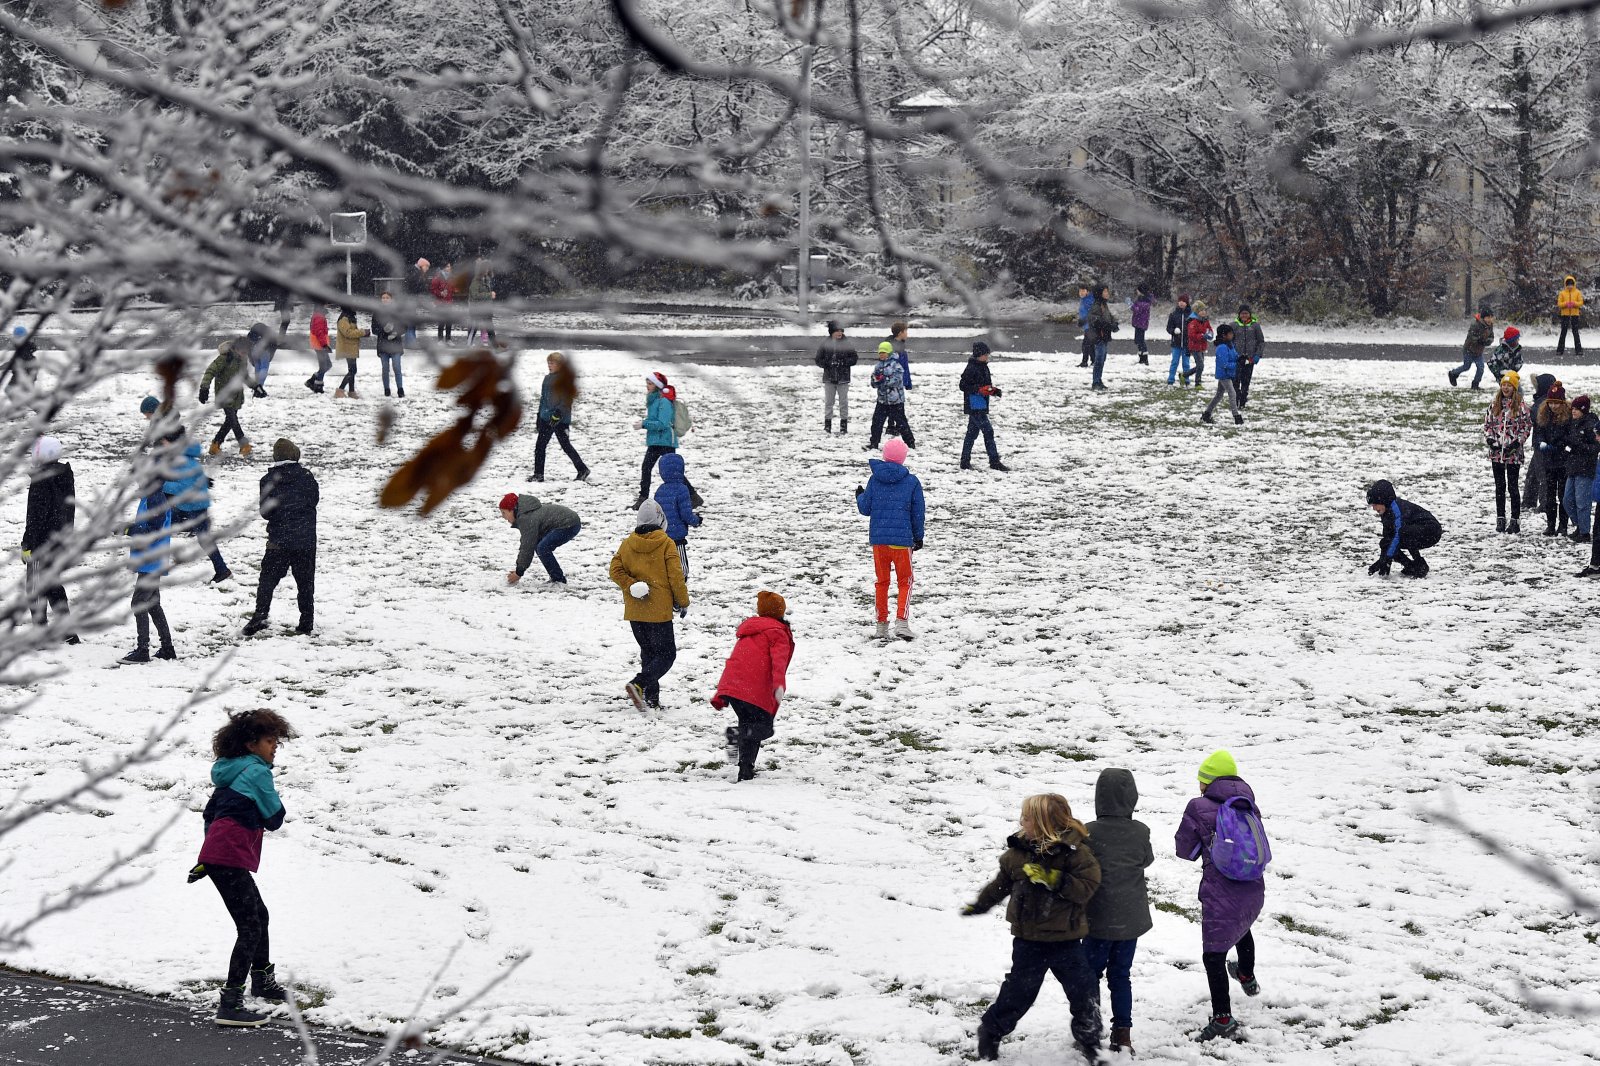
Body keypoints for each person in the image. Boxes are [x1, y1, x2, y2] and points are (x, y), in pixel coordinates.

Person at [964, 793, 1104, 1064]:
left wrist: (1055, 879)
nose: (1022, 821)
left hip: (1067, 939)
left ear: (1045, 823)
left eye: (1027, 817)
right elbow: (1000, 885)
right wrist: (981, 905)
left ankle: (1090, 1040)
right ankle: (991, 1031)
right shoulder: (1017, 855)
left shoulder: (1076, 854)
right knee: (1019, 992)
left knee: (1084, 990)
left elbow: (1087, 888)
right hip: (1029, 940)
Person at [190, 708, 297, 1028]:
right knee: (250, 924)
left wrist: (208, 856)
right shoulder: (257, 772)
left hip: (221, 854)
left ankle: (262, 980)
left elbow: (211, 814)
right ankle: (231, 1002)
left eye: (276, 740)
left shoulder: (230, 772)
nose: (275, 745)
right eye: (269, 740)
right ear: (251, 744)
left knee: (257, 916)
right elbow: (275, 817)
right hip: (229, 855)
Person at [1175, 750, 1268, 1043]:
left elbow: (1185, 851)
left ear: (1206, 782)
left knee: (1213, 955)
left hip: (1220, 890)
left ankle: (1223, 1019)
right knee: (1241, 927)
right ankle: (1246, 975)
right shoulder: (1248, 805)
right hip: (1252, 887)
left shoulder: (1197, 806)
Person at [1082, 768, 1153, 1059]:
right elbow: (1145, 859)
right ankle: (1122, 1033)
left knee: (1090, 975)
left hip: (1098, 920)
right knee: (1121, 976)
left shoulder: (1089, 832)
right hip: (1131, 919)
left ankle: (1089, 1027)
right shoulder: (1140, 831)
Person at [610, 500, 689, 711]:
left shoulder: (628, 543)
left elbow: (615, 570)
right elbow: (676, 576)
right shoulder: (666, 543)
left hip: (636, 611)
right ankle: (639, 684)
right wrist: (683, 601)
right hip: (658, 612)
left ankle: (651, 699)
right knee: (666, 655)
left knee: (649, 653)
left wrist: (631, 585)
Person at [710, 590, 794, 782]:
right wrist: (779, 685)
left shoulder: (750, 630)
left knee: (749, 723)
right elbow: (778, 662)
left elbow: (736, 661)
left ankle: (745, 769)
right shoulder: (778, 632)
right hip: (754, 690)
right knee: (763, 729)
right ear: (781, 612)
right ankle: (736, 734)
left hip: (736, 688)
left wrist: (724, 690)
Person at [243, 439, 319, 637]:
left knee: (267, 579)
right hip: (305, 540)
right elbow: (313, 501)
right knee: (305, 582)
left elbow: (265, 512)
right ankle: (306, 622)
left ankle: (260, 615)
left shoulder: (267, 480)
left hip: (279, 540)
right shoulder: (307, 477)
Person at [855, 438, 924, 641]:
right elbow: (918, 512)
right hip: (902, 542)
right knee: (905, 581)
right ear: (903, 459)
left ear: (884, 456)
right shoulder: (911, 482)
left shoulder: (874, 480)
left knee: (882, 582)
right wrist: (918, 537)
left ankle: (881, 626)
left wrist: (859, 496)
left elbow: (865, 508)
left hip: (879, 541)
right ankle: (901, 622)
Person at [21, 436, 77, 643]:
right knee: (53, 585)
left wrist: (28, 545)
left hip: (40, 545)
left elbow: (36, 517)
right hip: (58, 542)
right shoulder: (64, 477)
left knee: (35, 588)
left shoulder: (42, 480)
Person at [162, 434, 232, 583]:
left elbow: (183, 487)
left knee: (204, 539)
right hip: (191, 506)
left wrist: (162, 485)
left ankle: (222, 569)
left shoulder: (185, 463)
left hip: (194, 508)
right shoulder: (190, 462)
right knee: (164, 525)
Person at [122, 477, 175, 663]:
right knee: (152, 603)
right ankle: (167, 648)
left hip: (151, 562)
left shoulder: (155, 499)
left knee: (139, 603)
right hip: (153, 561)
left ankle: (142, 650)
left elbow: (152, 531)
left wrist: (129, 530)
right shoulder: (151, 497)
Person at [1483, 371, 1532, 535]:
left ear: (1514, 388)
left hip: (1513, 453)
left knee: (1512, 486)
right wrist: (1491, 440)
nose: (1505, 387)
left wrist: (1518, 442)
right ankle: (1500, 517)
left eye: (1509, 385)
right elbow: (1488, 424)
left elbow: (1526, 426)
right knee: (1499, 486)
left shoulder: (1521, 407)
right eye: (1503, 384)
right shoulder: (1494, 405)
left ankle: (1515, 520)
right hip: (1497, 452)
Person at [530, 351, 589, 482]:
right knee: (540, 446)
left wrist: (558, 415)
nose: (549, 365)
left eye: (553, 363)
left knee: (565, 446)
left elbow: (566, 400)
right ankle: (538, 474)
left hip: (559, 420)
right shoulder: (547, 378)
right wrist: (539, 415)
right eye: (548, 363)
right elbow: (543, 399)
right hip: (546, 419)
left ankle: (582, 469)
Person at [501, 491, 581, 585]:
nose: (503, 517)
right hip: (567, 523)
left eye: (504, 512)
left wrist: (519, 572)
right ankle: (556, 577)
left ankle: (558, 579)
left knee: (542, 548)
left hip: (569, 525)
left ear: (512, 510)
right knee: (540, 546)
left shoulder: (527, 519)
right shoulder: (527, 514)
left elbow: (527, 546)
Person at [1365, 479, 1441, 578]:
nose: (1374, 508)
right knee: (1386, 542)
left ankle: (1420, 565)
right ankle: (1410, 566)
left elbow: (1397, 535)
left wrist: (1388, 558)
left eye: (1375, 504)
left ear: (1383, 500)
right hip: (1414, 532)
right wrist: (1382, 561)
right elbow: (1388, 539)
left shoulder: (1397, 510)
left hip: (1431, 531)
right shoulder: (1386, 512)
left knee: (1403, 533)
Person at [959, 342, 1009, 472]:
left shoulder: (984, 367)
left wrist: (994, 391)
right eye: (986, 354)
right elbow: (963, 386)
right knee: (988, 431)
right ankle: (994, 461)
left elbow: (986, 386)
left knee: (971, 434)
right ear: (979, 355)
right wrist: (978, 390)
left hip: (981, 404)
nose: (987, 356)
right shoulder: (971, 368)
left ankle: (964, 461)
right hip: (975, 405)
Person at [198, 337, 252, 457]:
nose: (244, 354)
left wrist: (256, 387)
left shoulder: (243, 359)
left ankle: (215, 445)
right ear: (236, 349)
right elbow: (210, 372)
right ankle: (244, 445)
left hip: (237, 395)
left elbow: (245, 376)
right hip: (224, 395)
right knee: (233, 420)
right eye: (243, 352)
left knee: (229, 421)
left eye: (246, 352)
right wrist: (204, 388)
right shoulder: (224, 358)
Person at [653, 453, 701, 578]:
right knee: (681, 565)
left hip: (662, 535)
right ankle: (680, 583)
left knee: (665, 563)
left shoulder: (660, 490)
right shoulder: (682, 489)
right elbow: (686, 514)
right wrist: (696, 520)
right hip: (677, 536)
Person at [635, 372, 679, 506]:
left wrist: (644, 424)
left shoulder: (664, 401)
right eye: (647, 384)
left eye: (650, 384)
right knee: (647, 468)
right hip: (656, 441)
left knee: (672, 472)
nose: (647, 386)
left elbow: (663, 423)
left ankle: (692, 496)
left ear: (658, 385)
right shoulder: (654, 400)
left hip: (665, 441)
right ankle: (642, 499)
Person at [1535, 382, 1573, 536]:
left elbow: (1569, 437)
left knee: (1563, 495)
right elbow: (1539, 433)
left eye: (1557, 403)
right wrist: (1542, 444)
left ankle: (1563, 525)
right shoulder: (1544, 415)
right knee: (1550, 495)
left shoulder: (1568, 417)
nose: (1554, 406)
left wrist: (1560, 445)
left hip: (1563, 461)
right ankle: (1551, 524)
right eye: (1551, 403)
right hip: (1549, 461)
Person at [866, 341, 916, 451]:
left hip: (896, 401)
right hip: (883, 400)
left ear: (888, 353)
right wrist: (876, 380)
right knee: (876, 423)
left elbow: (896, 381)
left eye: (883, 352)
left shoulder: (896, 365)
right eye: (880, 353)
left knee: (901, 423)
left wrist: (882, 380)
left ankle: (910, 443)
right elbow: (873, 382)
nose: (881, 355)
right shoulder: (878, 366)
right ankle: (874, 443)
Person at [1561, 395, 1598, 543]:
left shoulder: (1591, 425)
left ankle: (1584, 532)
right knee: (1567, 500)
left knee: (1582, 503)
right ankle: (1580, 526)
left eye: (1576, 409)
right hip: (1572, 467)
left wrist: (1579, 446)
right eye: (1573, 408)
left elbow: (1595, 448)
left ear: (1583, 409)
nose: (1573, 411)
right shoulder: (1572, 423)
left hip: (1585, 468)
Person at [814, 321, 857, 434]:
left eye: (841, 330)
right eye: (837, 330)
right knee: (829, 402)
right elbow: (818, 360)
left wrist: (843, 362)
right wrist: (828, 363)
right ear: (831, 332)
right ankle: (827, 425)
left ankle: (844, 425)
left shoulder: (847, 343)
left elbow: (854, 358)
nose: (839, 333)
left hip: (843, 378)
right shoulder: (825, 343)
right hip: (829, 378)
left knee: (843, 402)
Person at [1200, 323, 1243, 425]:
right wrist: (1236, 365)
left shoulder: (1230, 345)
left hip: (1228, 374)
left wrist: (1240, 358)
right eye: (1230, 334)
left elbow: (1234, 356)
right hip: (1224, 375)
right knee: (1232, 394)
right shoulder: (1222, 347)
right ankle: (1236, 416)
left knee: (1218, 395)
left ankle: (1206, 414)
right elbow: (1224, 364)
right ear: (1224, 335)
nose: (1232, 335)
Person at [1449, 306, 1495, 389]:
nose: (1490, 319)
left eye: (1491, 317)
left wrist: (1488, 341)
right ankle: (1453, 373)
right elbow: (1471, 336)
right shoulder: (1475, 325)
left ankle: (1475, 384)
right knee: (1467, 366)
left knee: (1481, 368)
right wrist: (1479, 340)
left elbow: (1491, 337)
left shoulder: (1490, 326)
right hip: (1469, 350)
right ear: (1483, 318)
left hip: (1478, 352)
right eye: (1488, 317)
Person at [373, 291, 406, 398]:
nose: (385, 299)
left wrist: (396, 332)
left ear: (391, 299)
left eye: (387, 297)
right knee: (385, 368)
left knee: (397, 367)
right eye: (383, 297)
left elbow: (404, 327)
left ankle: (400, 389)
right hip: (383, 345)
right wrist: (384, 330)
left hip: (395, 344)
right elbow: (374, 329)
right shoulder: (377, 312)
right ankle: (386, 389)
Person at [1085, 284, 1117, 391]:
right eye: (1105, 292)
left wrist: (1114, 324)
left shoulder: (1104, 305)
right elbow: (1095, 321)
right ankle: (1096, 382)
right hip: (1099, 337)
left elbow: (1109, 317)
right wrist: (1107, 325)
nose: (1107, 294)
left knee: (1102, 359)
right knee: (1099, 360)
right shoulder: (1096, 306)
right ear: (1100, 294)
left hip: (1104, 336)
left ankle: (1099, 380)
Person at [1233, 305, 1264, 407]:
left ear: (1250, 314)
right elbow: (1228, 341)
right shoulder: (1234, 325)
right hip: (1237, 358)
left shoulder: (1255, 326)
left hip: (1250, 359)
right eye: (1242, 313)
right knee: (1236, 381)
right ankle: (1236, 398)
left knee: (1246, 381)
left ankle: (1243, 399)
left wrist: (1257, 355)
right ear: (1239, 314)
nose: (1244, 315)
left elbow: (1261, 342)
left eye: (1246, 313)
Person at [333, 306, 367, 399]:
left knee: (352, 370)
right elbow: (348, 333)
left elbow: (351, 331)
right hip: (347, 347)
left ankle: (351, 391)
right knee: (352, 370)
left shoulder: (350, 317)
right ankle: (340, 390)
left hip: (351, 347)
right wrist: (362, 332)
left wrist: (361, 332)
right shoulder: (344, 319)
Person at [1182, 301, 1213, 388]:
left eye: (1204, 310)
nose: (1203, 312)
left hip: (1202, 346)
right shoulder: (1193, 322)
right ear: (1196, 311)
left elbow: (1209, 329)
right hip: (1194, 346)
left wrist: (1210, 334)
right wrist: (1202, 336)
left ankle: (1184, 375)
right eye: (1201, 310)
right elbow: (1191, 335)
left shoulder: (1205, 321)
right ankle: (1197, 383)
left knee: (1200, 366)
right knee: (1200, 365)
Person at [1, 323, 38, 396]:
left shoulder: (23, 349)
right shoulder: (24, 348)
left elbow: (13, 363)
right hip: (24, 375)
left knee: (9, 390)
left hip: (23, 376)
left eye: (16, 337)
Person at [468, 258, 497, 346]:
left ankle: (495, 347)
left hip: (486, 308)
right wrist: (489, 295)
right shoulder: (476, 280)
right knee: (474, 328)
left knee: (490, 328)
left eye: (489, 268)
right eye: (486, 268)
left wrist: (490, 296)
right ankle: (468, 345)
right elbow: (475, 295)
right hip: (477, 309)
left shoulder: (487, 279)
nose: (488, 270)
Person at [304, 304, 332, 394]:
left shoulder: (318, 315)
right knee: (325, 366)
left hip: (319, 344)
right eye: (325, 305)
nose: (327, 306)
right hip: (320, 345)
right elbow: (319, 332)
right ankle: (318, 387)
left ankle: (312, 381)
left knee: (327, 365)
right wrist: (324, 345)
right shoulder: (319, 317)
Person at [1166, 294, 1192, 385]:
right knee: (1174, 362)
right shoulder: (1173, 314)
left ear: (1187, 303)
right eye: (1180, 301)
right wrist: (1173, 331)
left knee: (1186, 363)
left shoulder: (1191, 315)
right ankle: (1171, 379)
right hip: (1176, 343)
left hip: (1187, 344)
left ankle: (1186, 379)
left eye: (1183, 301)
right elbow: (1168, 328)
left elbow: (1193, 328)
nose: (1181, 303)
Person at [405, 257, 431, 342]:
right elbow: (415, 286)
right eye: (426, 267)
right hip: (411, 299)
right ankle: (410, 341)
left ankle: (411, 340)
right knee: (411, 321)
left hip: (411, 299)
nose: (427, 269)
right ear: (422, 265)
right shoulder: (415, 273)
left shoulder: (415, 272)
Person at [1556, 275, 1584, 356]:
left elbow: (1581, 303)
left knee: (1575, 332)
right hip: (1565, 315)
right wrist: (1566, 304)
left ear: (1574, 284)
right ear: (1566, 284)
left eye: (1571, 284)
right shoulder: (1562, 293)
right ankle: (1560, 350)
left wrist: (1574, 303)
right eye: (1568, 285)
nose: (1570, 286)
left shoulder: (1577, 292)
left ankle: (1579, 350)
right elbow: (1559, 304)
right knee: (1563, 332)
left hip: (1575, 314)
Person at [430, 262, 456, 341]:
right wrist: (440, 293)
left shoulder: (451, 277)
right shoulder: (437, 277)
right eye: (448, 266)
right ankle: (440, 340)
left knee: (449, 322)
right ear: (443, 268)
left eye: (450, 266)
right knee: (441, 322)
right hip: (440, 303)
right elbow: (432, 290)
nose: (450, 268)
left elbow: (453, 288)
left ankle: (448, 339)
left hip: (449, 303)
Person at [888, 321, 915, 393]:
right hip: (892, 383)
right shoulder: (890, 348)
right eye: (905, 332)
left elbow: (905, 366)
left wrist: (908, 383)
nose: (907, 334)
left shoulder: (901, 346)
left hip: (900, 382)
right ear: (900, 333)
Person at [1129, 286, 1153, 363]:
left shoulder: (1146, 300)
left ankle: (1144, 358)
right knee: (1138, 340)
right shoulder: (1140, 299)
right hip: (1138, 323)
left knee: (1141, 340)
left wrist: (1131, 305)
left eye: (1138, 291)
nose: (1137, 292)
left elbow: (1138, 309)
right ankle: (1141, 356)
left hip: (1141, 323)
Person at [1076, 282, 1094, 368]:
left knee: (1086, 345)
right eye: (1080, 291)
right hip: (1087, 326)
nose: (1081, 293)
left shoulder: (1089, 300)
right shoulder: (1084, 300)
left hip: (1091, 326)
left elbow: (1092, 313)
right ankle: (1093, 361)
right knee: (1090, 345)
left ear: (1087, 291)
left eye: (1083, 291)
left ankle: (1085, 362)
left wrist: (1084, 320)